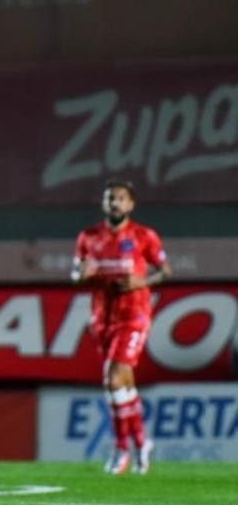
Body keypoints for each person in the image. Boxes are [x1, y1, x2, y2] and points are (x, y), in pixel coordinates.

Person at [72, 180, 170, 475]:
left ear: (130, 204)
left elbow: (164, 271)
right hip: (103, 318)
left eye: (120, 198)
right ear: (104, 204)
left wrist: (143, 281)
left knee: (112, 379)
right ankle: (141, 443)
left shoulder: (143, 236)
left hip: (135, 315)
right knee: (123, 385)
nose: (115, 203)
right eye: (110, 198)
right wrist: (81, 275)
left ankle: (120, 449)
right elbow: (76, 272)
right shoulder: (89, 237)